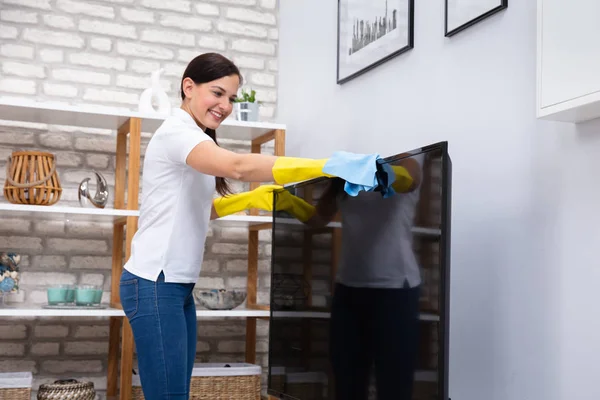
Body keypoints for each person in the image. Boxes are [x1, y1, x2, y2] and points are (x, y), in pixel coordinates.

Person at [118, 52, 371, 400]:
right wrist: (326, 166)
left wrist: (252, 199)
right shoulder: (177, 133)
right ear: (188, 87)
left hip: (173, 285)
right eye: (218, 93)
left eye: (232, 98)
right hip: (154, 283)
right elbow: (237, 166)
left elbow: (198, 210)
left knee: (175, 393)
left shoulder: (195, 136)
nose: (225, 105)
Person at [310, 153, 425, 400]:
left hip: (396, 290)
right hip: (348, 290)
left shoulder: (409, 155)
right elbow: (318, 218)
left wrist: (370, 170)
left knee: (394, 388)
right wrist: (280, 201)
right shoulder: (346, 165)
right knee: (347, 386)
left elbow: (411, 179)